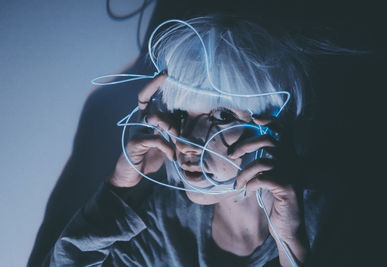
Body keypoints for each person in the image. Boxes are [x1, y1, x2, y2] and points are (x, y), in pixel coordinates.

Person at [44, 15, 325, 267]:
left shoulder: (329, 213)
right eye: (180, 114)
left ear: (273, 126)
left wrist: (292, 245)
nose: (189, 140)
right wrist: (119, 189)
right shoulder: (161, 224)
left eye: (223, 115)